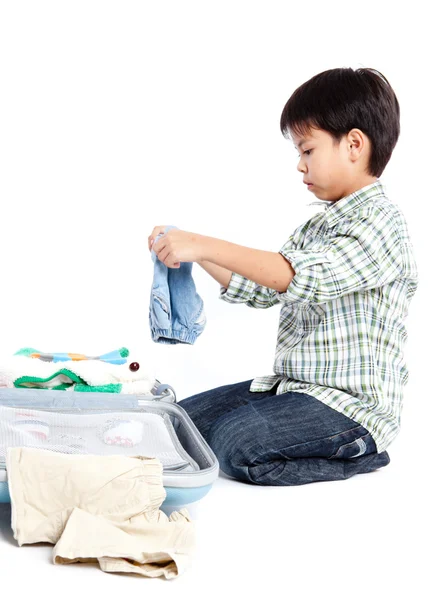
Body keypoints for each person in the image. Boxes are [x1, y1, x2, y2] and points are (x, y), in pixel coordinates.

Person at [148, 67, 418, 486]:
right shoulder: (316, 227)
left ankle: (362, 455)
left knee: (236, 442)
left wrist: (201, 243)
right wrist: (188, 252)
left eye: (307, 150)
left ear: (353, 144)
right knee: (181, 422)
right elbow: (262, 286)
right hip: (294, 389)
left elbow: (300, 277)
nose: (299, 164)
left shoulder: (381, 222)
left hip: (351, 407)